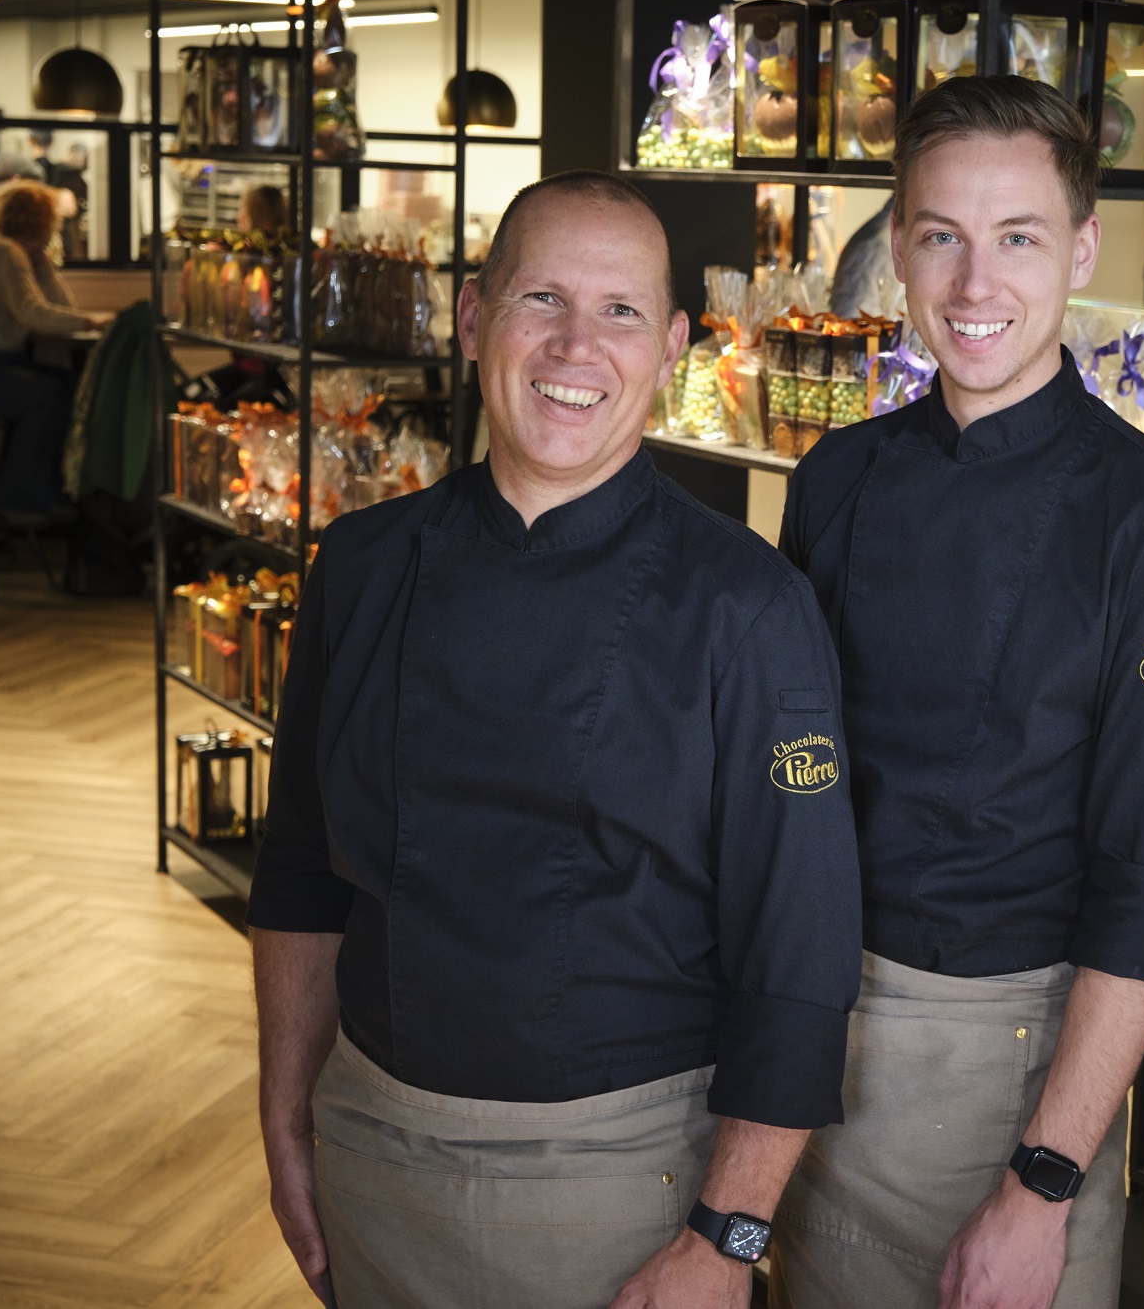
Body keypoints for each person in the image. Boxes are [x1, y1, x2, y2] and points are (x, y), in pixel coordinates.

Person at [246, 170, 864, 1309]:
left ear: (673, 345)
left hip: (621, 1185)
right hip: (375, 1156)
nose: (576, 346)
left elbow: (800, 947)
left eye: (621, 311)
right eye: (541, 300)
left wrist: (726, 1237)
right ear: (475, 317)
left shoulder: (747, 606)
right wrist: (286, 1116)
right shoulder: (365, 566)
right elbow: (298, 877)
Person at [770, 76, 1144, 1309]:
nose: (974, 288)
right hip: (810, 1038)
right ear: (898, 247)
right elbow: (783, 780)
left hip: (1007, 1068)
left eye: (1017, 238)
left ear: (1081, 249)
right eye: (941, 238)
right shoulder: (835, 478)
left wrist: (1042, 1178)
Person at [0, 179, 104, 514]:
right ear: (45, 222)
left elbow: (60, 305)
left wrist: (44, 264)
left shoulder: (7, 250)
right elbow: (34, 314)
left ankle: (46, 491)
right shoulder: (4, 253)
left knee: (66, 385)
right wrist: (89, 322)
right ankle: (22, 498)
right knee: (52, 395)